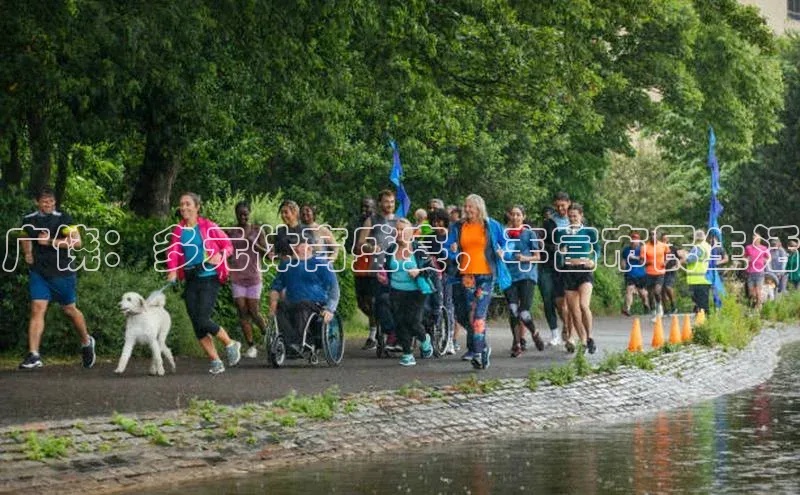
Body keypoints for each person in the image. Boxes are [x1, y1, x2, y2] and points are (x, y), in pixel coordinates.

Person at [18, 186, 96, 370]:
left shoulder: (64, 218)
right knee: (37, 308)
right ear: (37, 202)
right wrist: (28, 253)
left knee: (69, 310)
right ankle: (34, 355)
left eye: (52, 201)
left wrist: (51, 241)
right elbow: (24, 237)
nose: (49, 204)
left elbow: (77, 243)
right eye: (45, 202)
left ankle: (86, 342)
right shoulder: (28, 220)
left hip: (62, 272)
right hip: (39, 272)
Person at [166, 193, 241, 374]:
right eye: (181, 204)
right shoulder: (179, 230)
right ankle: (215, 361)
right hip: (191, 278)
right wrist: (172, 270)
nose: (184, 207)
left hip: (209, 276)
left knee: (202, 318)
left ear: (197, 207)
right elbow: (173, 252)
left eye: (188, 204)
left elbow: (228, 246)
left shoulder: (208, 227)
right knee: (196, 323)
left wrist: (219, 256)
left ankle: (230, 343)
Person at [448, 194, 512, 369]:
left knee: (478, 315)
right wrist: (452, 250)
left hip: (485, 275)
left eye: (471, 207)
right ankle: (482, 349)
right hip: (466, 274)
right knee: (469, 314)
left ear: (479, 208)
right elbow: (448, 247)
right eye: (466, 206)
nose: (467, 209)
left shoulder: (491, 225)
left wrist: (503, 251)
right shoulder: (458, 226)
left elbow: (507, 243)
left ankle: (477, 352)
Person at [268, 237, 340, 355]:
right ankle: (290, 343)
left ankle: (299, 342)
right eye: (293, 245)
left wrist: (330, 309)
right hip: (292, 302)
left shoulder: (322, 264)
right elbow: (276, 287)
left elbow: (334, 289)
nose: (294, 247)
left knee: (302, 305)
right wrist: (273, 304)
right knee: (281, 306)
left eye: (299, 244)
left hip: (316, 303)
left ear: (309, 247)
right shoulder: (286, 265)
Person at [380, 218, 434, 366]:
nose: (399, 233)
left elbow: (431, 269)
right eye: (397, 230)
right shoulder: (391, 249)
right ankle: (407, 354)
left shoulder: (418, 249)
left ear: (410, 233)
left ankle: (424, 339)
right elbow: (386, 269)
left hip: (416, 291)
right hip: (396, 291)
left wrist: (419, 271)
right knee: (400, 322)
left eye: (402, 230)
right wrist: (382, 275)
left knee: (413, 322)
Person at [357, 190, 399, 351]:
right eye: (387, 201)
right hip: (376, 268)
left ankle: (395, 335)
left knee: (395, 301)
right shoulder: (372, 220)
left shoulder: (400, 221)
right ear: (380, 203)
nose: (390, 205)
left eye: (392, 202)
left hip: (396, 268)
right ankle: (381, 333)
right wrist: (371, 247)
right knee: (375, 302)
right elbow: (361, 243)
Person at [555, 203, 598, 354]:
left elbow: (597, 249)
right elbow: (559, 251)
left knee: (584, 306)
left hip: (584, 270)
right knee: (573, 310)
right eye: (570, 216)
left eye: (575, 216)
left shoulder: (589, 232)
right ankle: (584, 339)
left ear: (581, 216)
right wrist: (561, 251)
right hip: (568, 270)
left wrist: (593, 260)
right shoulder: (562, 232)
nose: (572, 218)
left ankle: (590, 336)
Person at [228, 201, 268, 358]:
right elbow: (224, 249)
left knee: (253, 310)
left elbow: (267, 253)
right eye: (240, 213)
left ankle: (267, 333)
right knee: (242, 311)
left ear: (249, 213)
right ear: (236, 214)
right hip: (237, 276)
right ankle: (251, 346)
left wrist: (255, 245)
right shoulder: (231, 231)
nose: (243, 216)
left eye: (246, 213)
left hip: (253, 276)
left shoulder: (257, 231)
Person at [501, 205, 544, 357]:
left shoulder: (529, 234)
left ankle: (534, 332)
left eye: (518, 214)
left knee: (523, 312)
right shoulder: (504, 235)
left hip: (526, 275)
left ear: (523, 217)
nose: (515, 217)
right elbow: (500, 253)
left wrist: (525, 258)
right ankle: (517, 344)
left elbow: (538, 257)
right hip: (509, 276)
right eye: (512, 214)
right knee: (513, 310)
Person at [540, 193, 571, 346]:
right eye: (557, 206)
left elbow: (584, 242)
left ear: (568, 203)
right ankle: (554, 333)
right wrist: (556, 247)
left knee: (562, 302)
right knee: (547, 299)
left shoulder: (576, 221)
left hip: (567, 266)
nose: (560, 208)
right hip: (548, 265)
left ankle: (567, 327)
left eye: (563, 205)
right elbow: (542, 244)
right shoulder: (548, 223)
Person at [348, 198, 379, 350]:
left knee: (373, 301)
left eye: (368, 207)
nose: (364, 209)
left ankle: (373, 335)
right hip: (360, 267)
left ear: (374, 208)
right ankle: (379, 324)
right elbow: (350, 246)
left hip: (374, 267)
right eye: (362, 206)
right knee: (361, 303)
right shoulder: (356, 224)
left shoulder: (378, 223)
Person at [641, 229, 668, 322]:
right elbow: (641, 260)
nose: (653, 236)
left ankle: (659, 307)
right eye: (651, 234)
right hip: (649, 273)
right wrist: (646, 262)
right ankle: (653, 311)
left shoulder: (663, 246)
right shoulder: (645, 247)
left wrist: (665, 262)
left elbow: (668, 255)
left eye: (655, 234)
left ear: (657, 235)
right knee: (650, 295)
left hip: (660, 272)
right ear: (649, 236)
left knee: (657, 292)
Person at [683, 229, 712, 314]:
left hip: (698, 280)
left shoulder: (698, 247)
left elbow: (689, 260)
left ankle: (703, 324)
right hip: (705, 279)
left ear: (695, 237)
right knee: (703, 305)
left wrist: (684, 255)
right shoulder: (708, 246)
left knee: (701, 306)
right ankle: (704, 323)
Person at [621, 233, 649, 317]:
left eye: (635, 240)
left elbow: (644, 261)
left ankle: (646, 305)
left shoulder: (642, 249)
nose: (633, 241)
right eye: (632, 240)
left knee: (643, 293)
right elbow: (623, 259)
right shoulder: (626, 250)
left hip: (641, 274)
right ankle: (627, 309)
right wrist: (623, 267)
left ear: (639, 241)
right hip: (630, 273)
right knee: (629, 289)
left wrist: (635, 258)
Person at [744, 234, 771, 311]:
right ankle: (756, 303)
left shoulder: (764, 248)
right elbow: (744, 257)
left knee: (758, 291)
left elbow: (769, 257)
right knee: (751, 293)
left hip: (760, 272)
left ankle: (758, 307)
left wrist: (766, 262)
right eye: (753, 238)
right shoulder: (748, 247)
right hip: (750, 272)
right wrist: (746, 260)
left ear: (759, 240)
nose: (754, 240)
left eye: (755, 238)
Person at [661, 233, 680, 314]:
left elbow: (678, 259)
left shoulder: (673, 248)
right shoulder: (659, 248)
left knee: (668, 287)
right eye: (663, 239)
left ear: (668, 239)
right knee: (662, 290)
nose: (665, 240)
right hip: (661, 271)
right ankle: (665, 309)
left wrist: (676, 266)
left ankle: (673, 304)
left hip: (670, 271)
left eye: (666, 239)